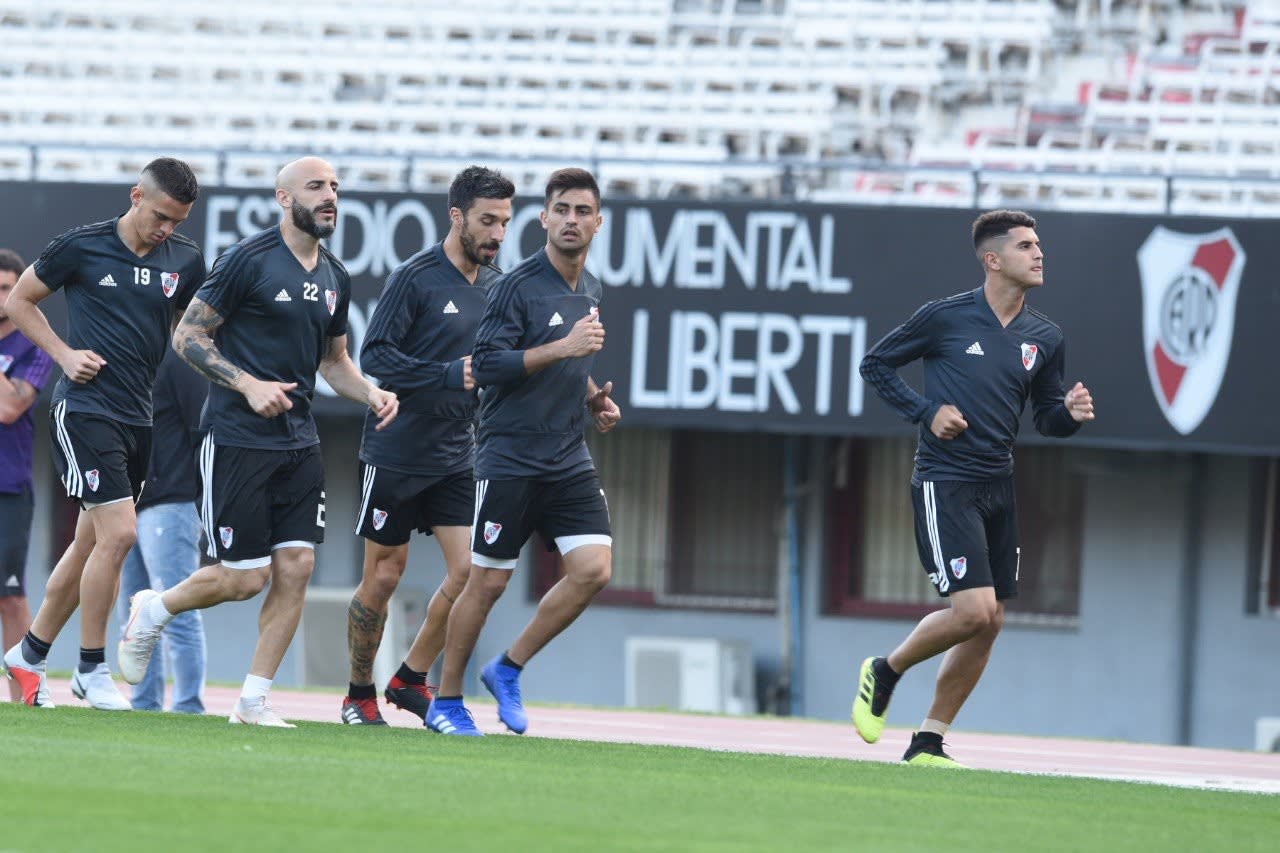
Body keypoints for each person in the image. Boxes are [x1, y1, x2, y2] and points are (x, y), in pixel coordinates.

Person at [117, 156, 398, 727]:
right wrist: (247, 385)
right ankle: (155, 607)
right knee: (244, 579)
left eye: (335, 188)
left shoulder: (335, 277)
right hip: (237, 438)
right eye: (316, 187)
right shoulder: (247, 260)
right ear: (282, 197)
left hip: (300, 442)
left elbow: (334, 361)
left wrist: (370, 393)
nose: (330, 197)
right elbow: (187, 336)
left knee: (296, 566)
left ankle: (252, 700)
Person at [853, 209, 1095, 765]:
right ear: (993, 260)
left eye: (1039, 245)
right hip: (945, 480)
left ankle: (929, 740)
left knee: (991, 620)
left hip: (998, 485)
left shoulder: (1046, 336)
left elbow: (1048, 420)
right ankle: (884, 670)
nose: (1039, 253)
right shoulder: (945, 318)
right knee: (971, 612)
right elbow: (876, 365)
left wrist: (1072, 414)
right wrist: (926, 410)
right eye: (1026, 245)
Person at [1, 160, 204, 710]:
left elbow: (192, 332)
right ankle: (92, 669)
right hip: (85, 410)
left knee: (91, 541)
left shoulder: (185, 260)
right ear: (136, 195)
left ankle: (29, 653)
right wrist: (64, 355)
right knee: (119, 535)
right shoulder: (81, 245)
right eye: (160, 215)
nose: (166, 229)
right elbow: (19, 300)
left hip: (141, 417)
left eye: (177, 220)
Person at [425, 167, 621, 737]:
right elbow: (484, 367)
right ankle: (447, 700)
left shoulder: (591, 287)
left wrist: (593, 399)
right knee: (485, 583)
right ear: (544, 218)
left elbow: (569, 360)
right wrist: (562, 347)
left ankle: (506, 668)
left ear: (598, 222)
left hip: (567, 456)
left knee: (594, 570)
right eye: (561, 209)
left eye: (583, 211)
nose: (571, 220)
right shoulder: (514, 285)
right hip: (508, 457)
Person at [343, 166, 515, 725]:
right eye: (488, 221)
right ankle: (358, 693)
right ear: (457, 216)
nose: (497, 234)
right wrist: (446, 374)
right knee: (385, 576)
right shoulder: (414, 278)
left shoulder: (498, 286)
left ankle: (410, 677)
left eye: (505, 223)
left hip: (456, 455)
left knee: (470, 571)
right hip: (395, 452)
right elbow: (375, 358)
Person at [114, 346, 209, 713]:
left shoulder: (178, 359)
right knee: (134, 613)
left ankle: (188, 706)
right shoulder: (137, 358)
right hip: (130, 502)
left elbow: (201, 430)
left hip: (173, 501)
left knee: (176, 609)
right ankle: (144, 704)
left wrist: (198, 496)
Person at [0, 248, 55, 703]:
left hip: (9, 484)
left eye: (7, 289)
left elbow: (9, 407)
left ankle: (23, 697)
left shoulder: (33, 345)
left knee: (10, 596)